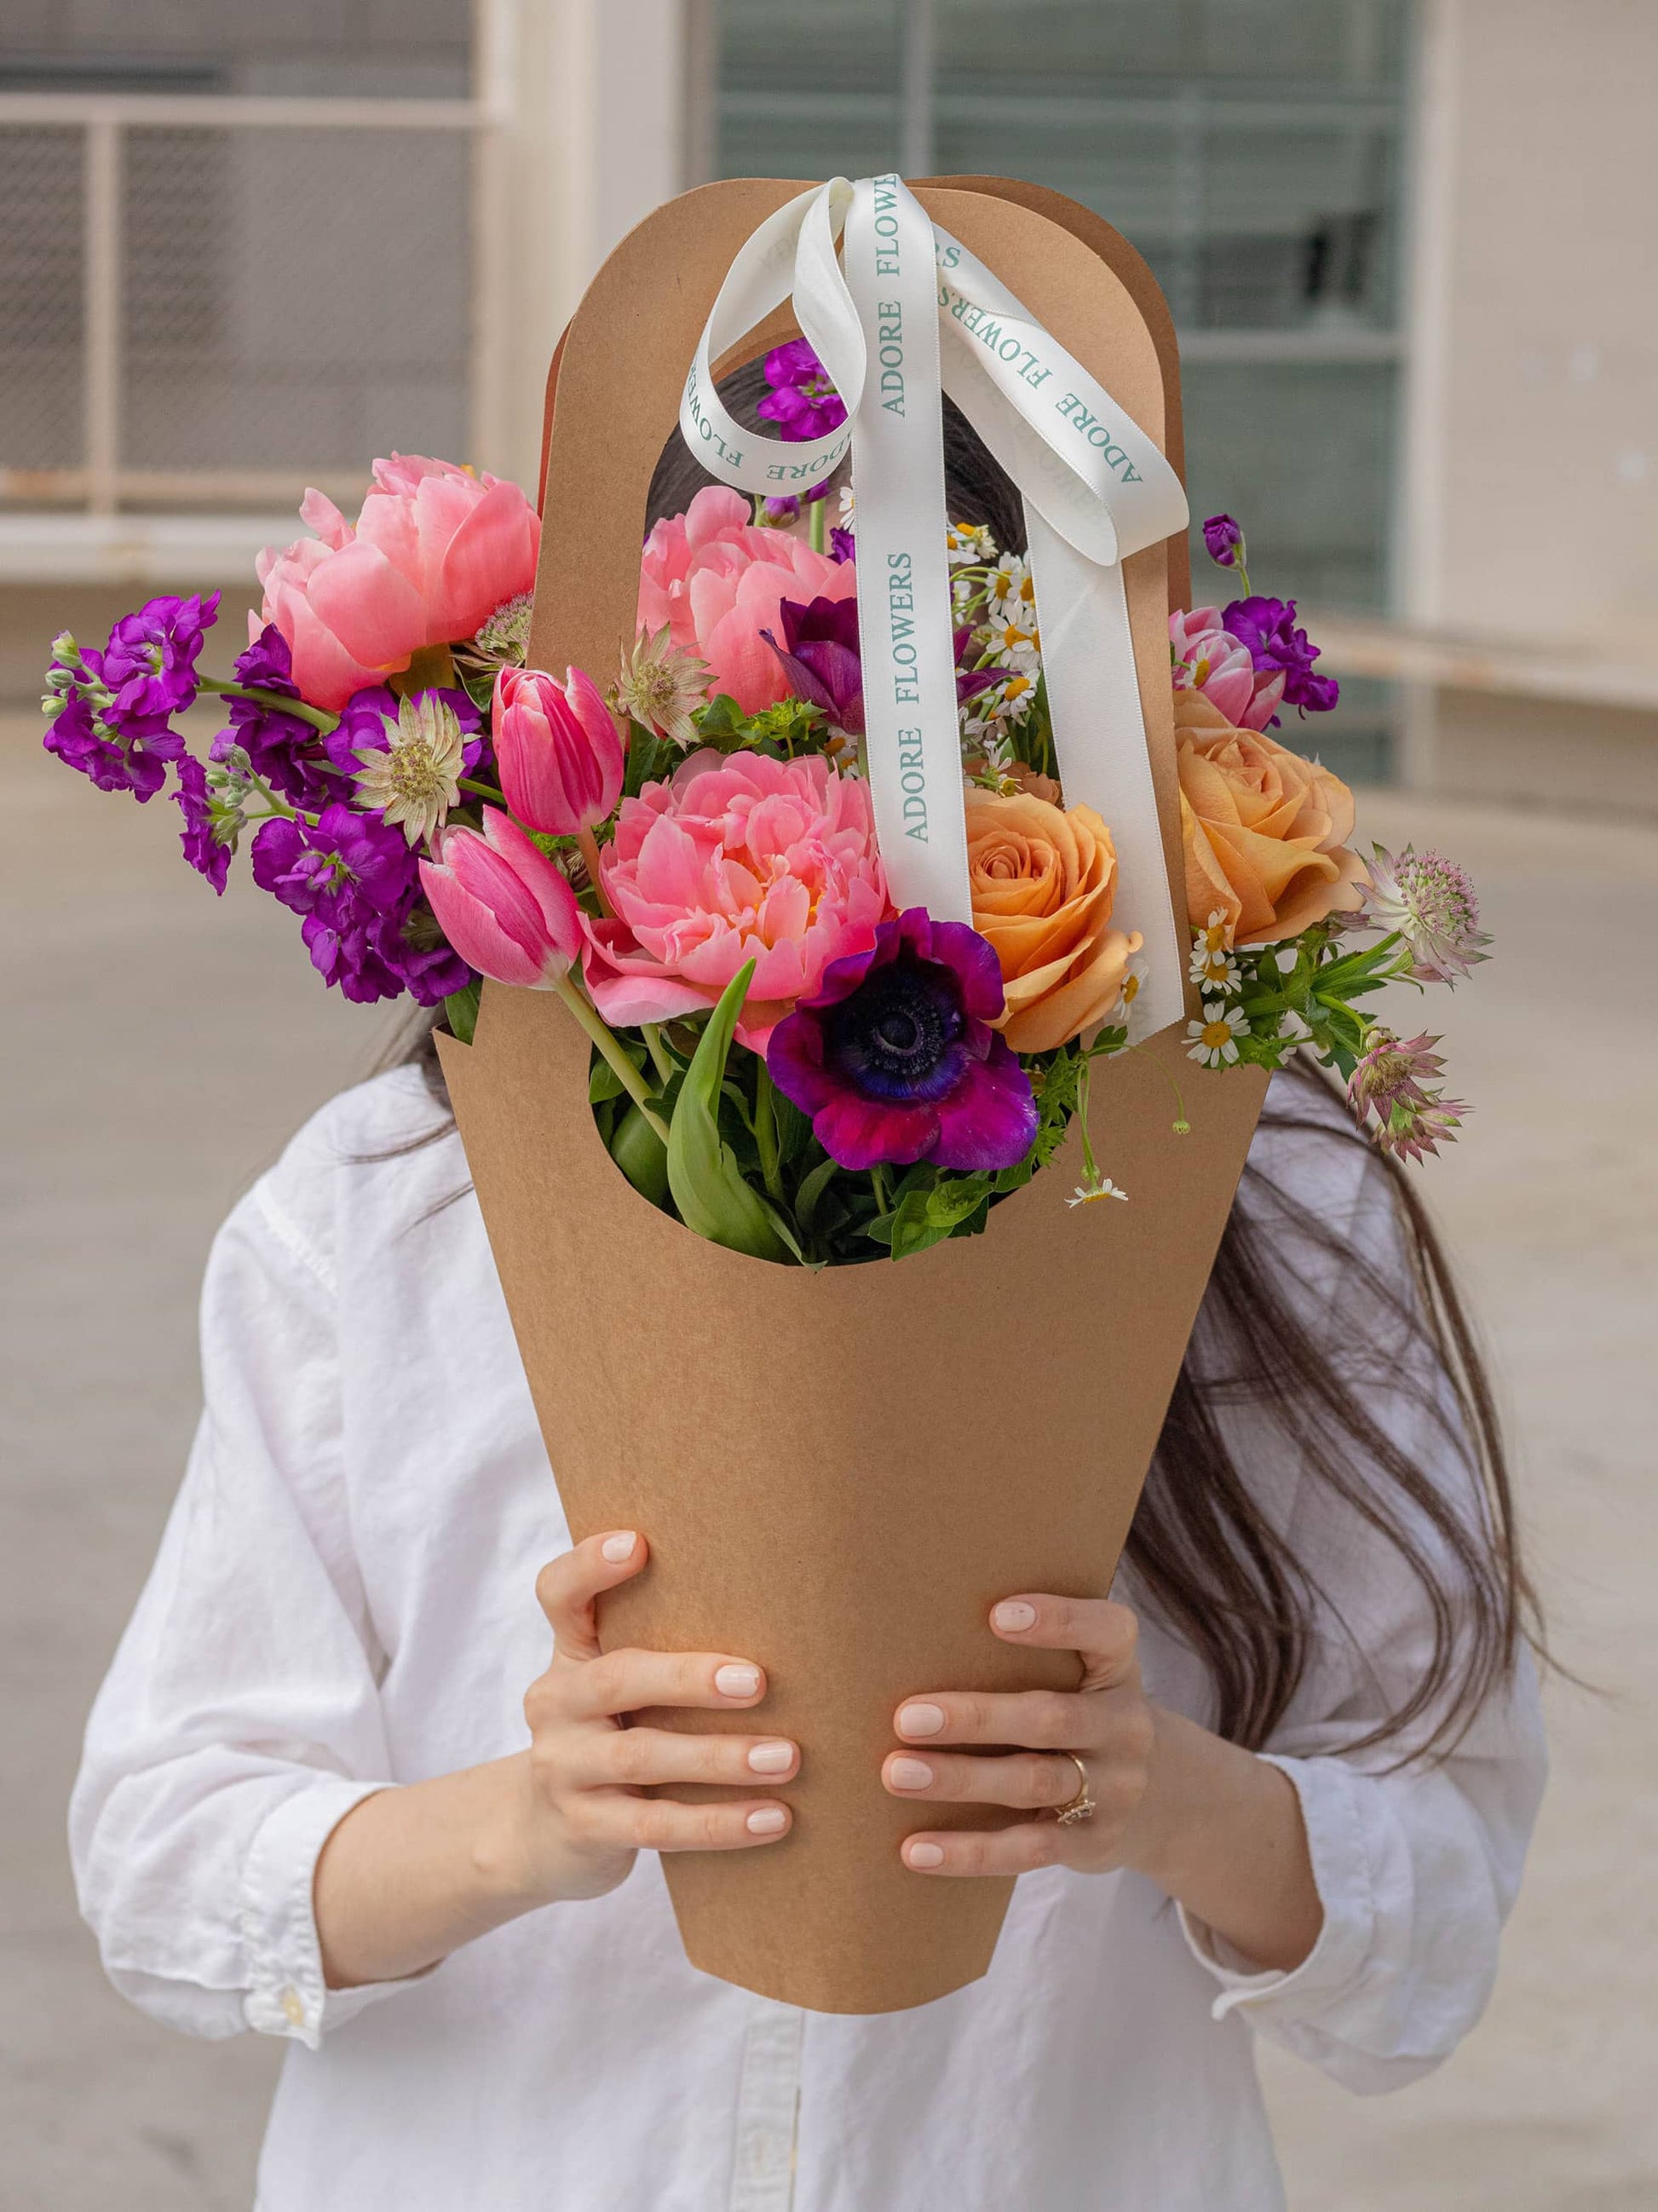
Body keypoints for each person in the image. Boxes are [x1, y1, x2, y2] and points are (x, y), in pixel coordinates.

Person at [70, 407, 1546, 2211]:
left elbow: (1434, 1908)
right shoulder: (388, 1202)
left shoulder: (1269, 1194)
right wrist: (524, 1820)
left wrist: (1161, 1795)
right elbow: (166, 1861)